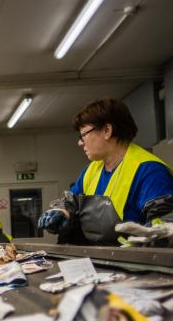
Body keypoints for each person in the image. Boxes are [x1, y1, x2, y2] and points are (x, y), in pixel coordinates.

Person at [37, 98, 173, 245]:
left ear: (107, 131)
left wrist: (151, 239)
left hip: (136, 263)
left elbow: (164, 226)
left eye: (83, 135)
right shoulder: (92, 169)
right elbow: (72, 202)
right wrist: (61, 212)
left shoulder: (149, 171)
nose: (80, 142)